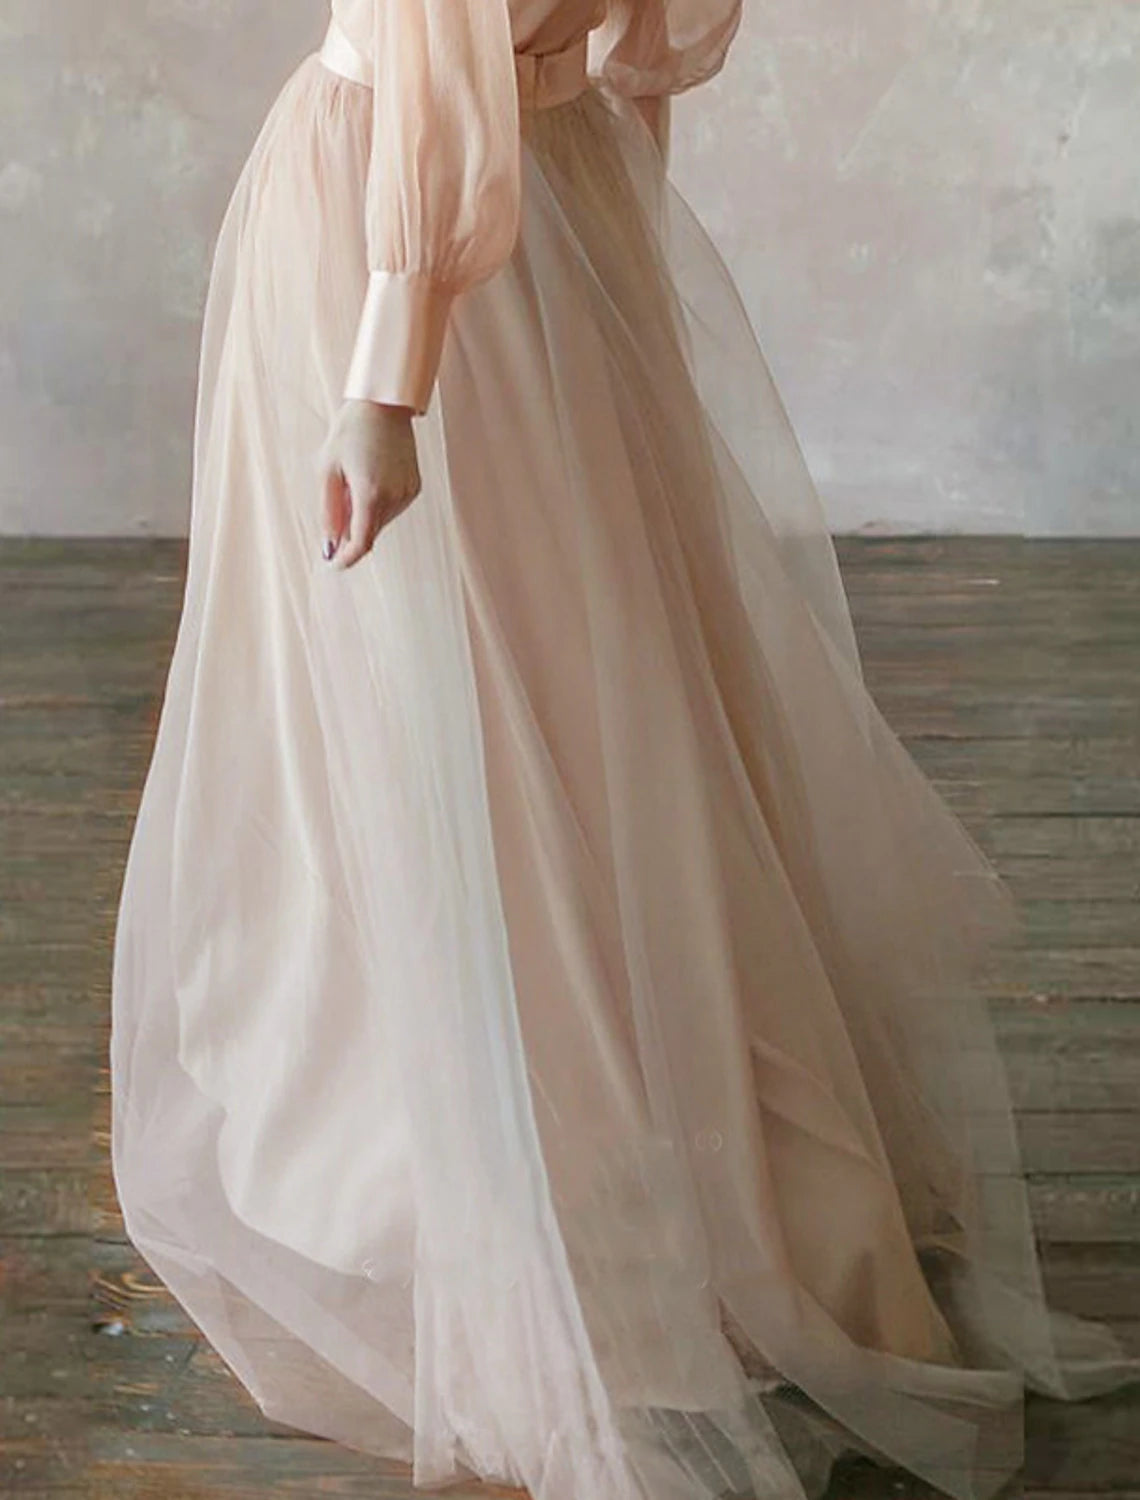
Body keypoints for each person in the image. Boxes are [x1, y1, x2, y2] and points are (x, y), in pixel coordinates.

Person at [109, 3, 1139, 1498]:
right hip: (551, 196)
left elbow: (434, 48)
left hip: (402, 222)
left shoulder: (401, 225)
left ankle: (504, 1150)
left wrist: (385, 380)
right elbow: (642, 36)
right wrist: (605, 206)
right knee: (589, 677)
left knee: (453, 697)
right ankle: (633, 1110)